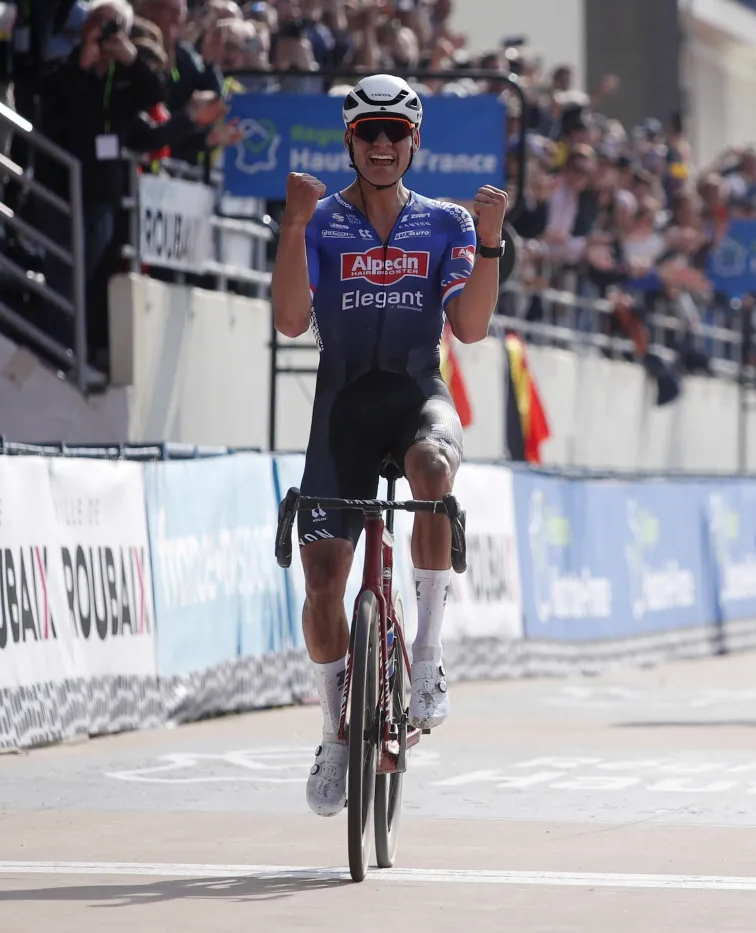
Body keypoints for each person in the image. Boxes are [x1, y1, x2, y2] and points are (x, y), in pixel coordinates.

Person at [269, 73, 508, 818]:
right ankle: (335, 731)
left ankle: (428, 656)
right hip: (340, 410)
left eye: (395, 132)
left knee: (433, 468)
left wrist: (491, 242)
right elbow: (289, 320)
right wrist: (293, 228)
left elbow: (470, 329)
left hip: (415, 398)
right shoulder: (321, 220)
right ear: (349, 141)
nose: (381, 144)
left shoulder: (447, 222)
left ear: (414, 141)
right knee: (321, 582)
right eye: (367, 132)